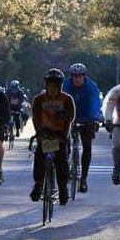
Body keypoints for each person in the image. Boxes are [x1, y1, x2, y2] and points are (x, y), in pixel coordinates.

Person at [29, 68, 74, 205]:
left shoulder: (67, 99)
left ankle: (62, 188)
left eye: (56, 86)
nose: (53, 89)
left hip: (60, 134)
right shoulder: (39, 99)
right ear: (46, 85)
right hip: (44, 134)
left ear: (60, 86)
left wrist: (64, 136)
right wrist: (39, 134)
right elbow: (36, 117)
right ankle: (38, 184)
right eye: (50, 86)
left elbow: (69, 118)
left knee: (61, 160)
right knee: (39, 158)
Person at [62, 63, 103, 193]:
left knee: (87, 147)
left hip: (87, 118)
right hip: (69, 118)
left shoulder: (91, 87)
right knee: (63, 143)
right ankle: (66, 166)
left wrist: (94, 117)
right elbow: (59, 101)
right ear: (71, 77)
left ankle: (83, 179)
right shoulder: (65, 86)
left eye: (79, 76)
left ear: (84, 77)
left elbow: (95, 103)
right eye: (74, 76)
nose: (77, 79)